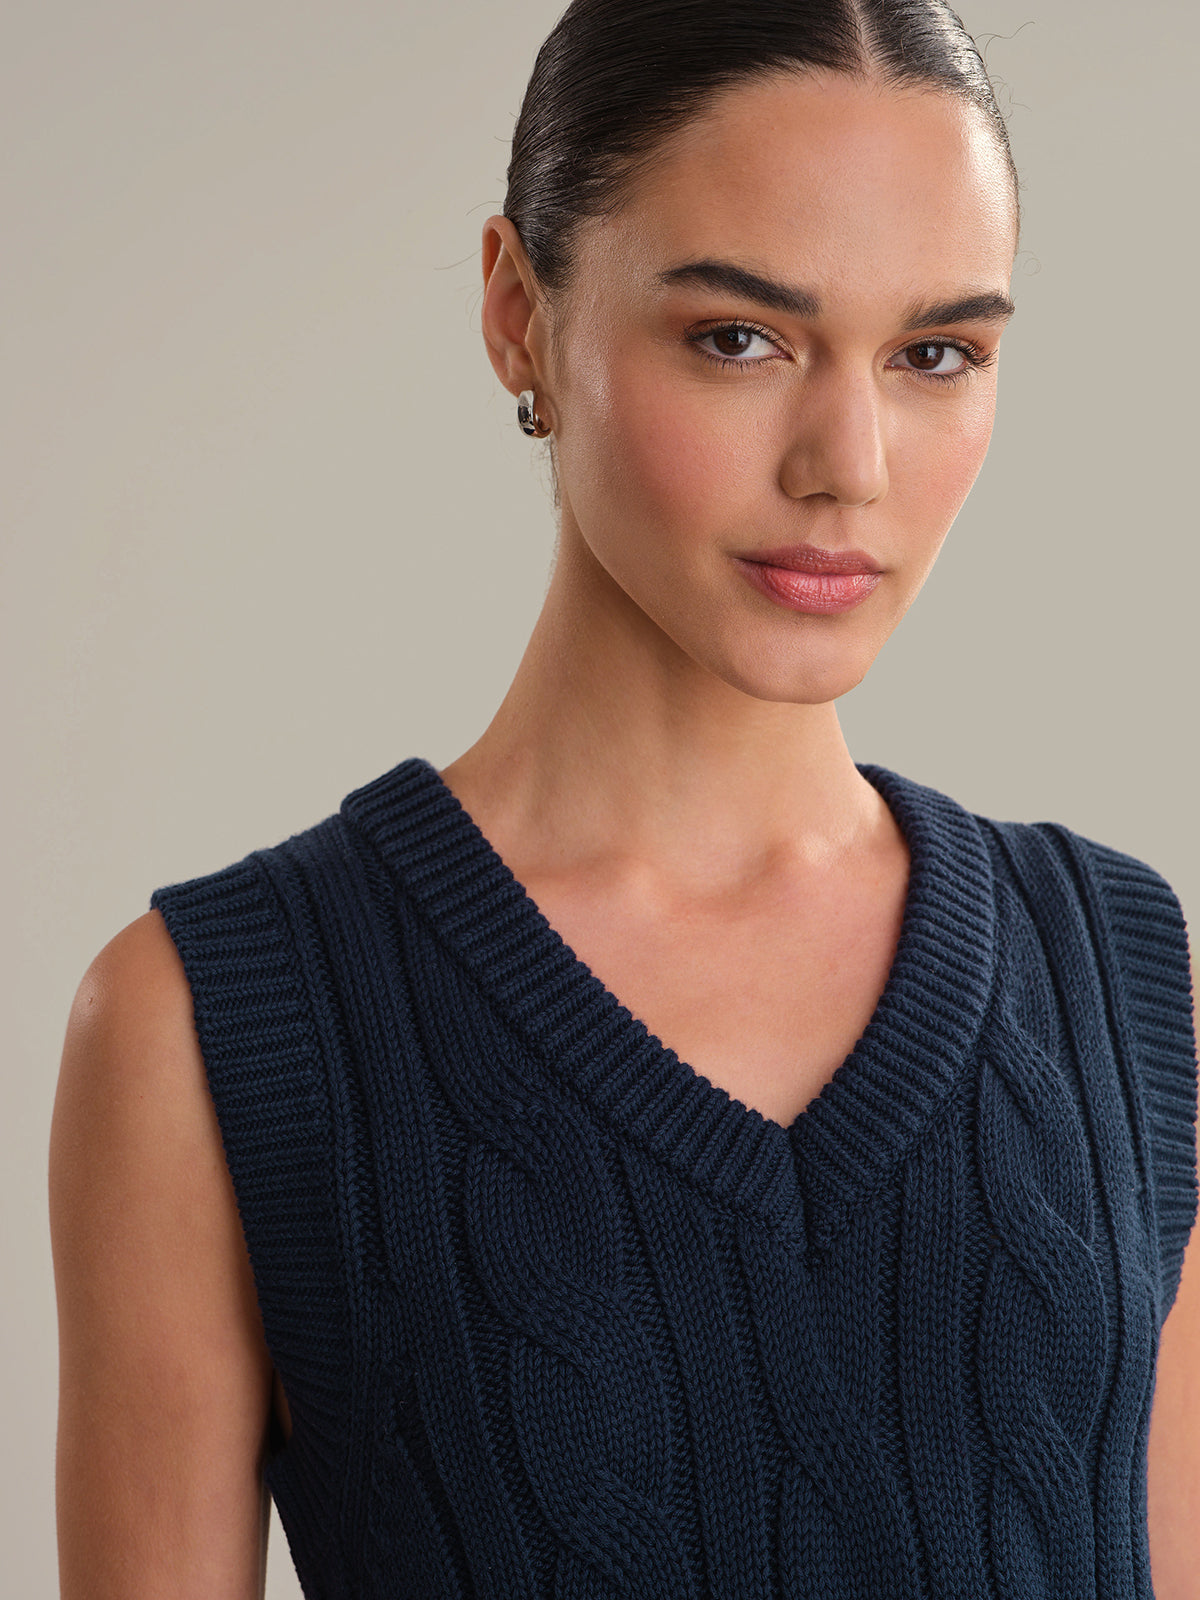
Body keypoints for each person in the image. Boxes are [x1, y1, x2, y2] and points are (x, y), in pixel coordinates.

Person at [49, 1, 1198, 1596]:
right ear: (521, 314)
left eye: (936, 354)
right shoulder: (214, 1028)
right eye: (740, 337)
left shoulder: (1121, 978)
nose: (847, 462)